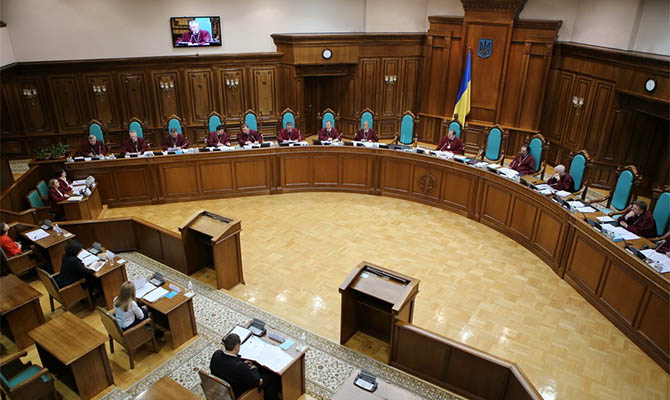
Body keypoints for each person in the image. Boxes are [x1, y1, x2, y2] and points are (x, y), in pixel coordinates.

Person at [210, 333, 279, 400]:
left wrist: (241, 362)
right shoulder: (240, 367)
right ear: (237, 346)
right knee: (271, 377)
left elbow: (228, 363)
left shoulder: (216, 355)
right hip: (238, 393)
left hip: (221, 388)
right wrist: (254, 368)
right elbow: (256, 382)